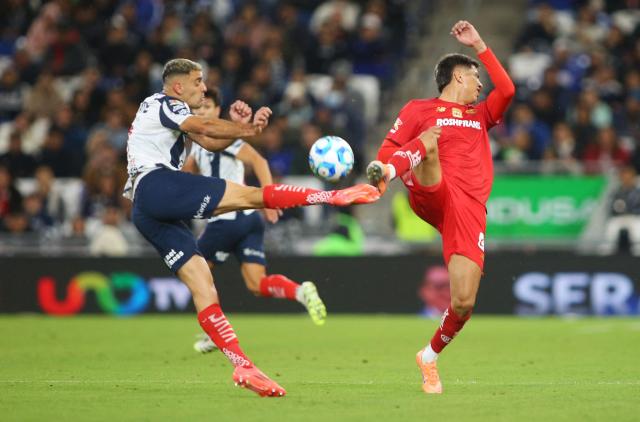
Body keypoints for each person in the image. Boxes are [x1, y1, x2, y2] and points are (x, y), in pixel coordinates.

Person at [125, 58, 379, 398]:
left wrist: (237, 128)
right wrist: (247, 130)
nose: (203, 87)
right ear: (177, 87)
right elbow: (208, 129)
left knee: (205, 288)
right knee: (253, 197)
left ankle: (243, 367)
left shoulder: (166, 114)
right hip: (156, 186)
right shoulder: (165, 104)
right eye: (198, 81)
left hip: (145, 210)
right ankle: (333, 196)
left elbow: (211, 141)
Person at [367, 21, 515, 394]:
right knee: (428, 141)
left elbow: (508, 89)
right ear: (456, 77)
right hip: (431, 190)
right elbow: (387, 149)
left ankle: (429, 357)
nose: (481, 85)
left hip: (468, 208)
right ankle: (386, 176)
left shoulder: (481, 116)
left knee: (464, 302)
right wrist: (392, 167)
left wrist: (480, 44)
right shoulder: (420, 109)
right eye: (474, 77)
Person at [182, 88, 327, 355]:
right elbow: (185, 174)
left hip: (226, 219)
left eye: (207, 109)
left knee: (195, 274)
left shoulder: (225, 138)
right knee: (256, 284)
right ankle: (300, 291)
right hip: (249, 221)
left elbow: (259, 161)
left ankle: (214, 332)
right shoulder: (198, 146)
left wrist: (269, 198)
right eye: (198, 110)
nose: (202, 113)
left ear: (217, 111)